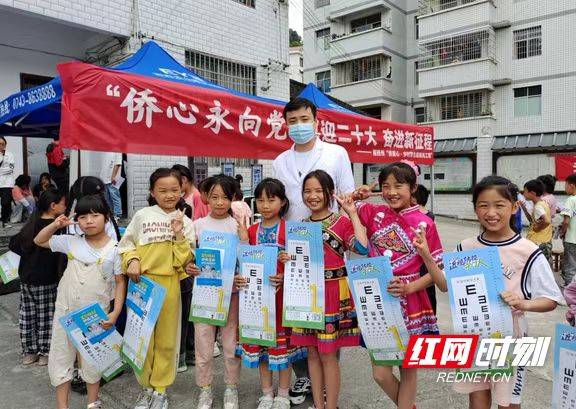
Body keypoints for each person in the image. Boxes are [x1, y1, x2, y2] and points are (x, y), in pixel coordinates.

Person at [423, 176, 562, 408]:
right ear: (475, 208)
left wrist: (524, 303)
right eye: (483, 205)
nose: (491, 213)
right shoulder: (466, 247)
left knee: (508, 402)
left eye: (499, 205)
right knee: (477, 398)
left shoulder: (528, 250)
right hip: (474, 331)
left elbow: (551, 299)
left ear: (514, 207)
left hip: (512, 334)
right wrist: (427, 257)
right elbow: (445, 284)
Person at [272, 97, 355, 403]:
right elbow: (279, 205)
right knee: (299, 316)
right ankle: (305, 376)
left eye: (304, 119)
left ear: (316, 121)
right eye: (292, 121)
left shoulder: (336, 153)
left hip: (330, 245)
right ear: (285, 125)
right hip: (296, 250)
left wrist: (343, 238)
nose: (299, 126)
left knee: (329, 320)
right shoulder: (280, 161)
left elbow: (347, 197)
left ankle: (327, 382)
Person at [352, 161, 442, 409]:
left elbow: (439, 269)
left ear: (413, 188)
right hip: (378, 299)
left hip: (411, 301)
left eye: (398, 185)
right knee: (380, 373)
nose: (391, 192)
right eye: (386, 186)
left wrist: (410, 287)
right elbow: (346, 204)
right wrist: (359, 193)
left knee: (407, 369)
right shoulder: (373, 213)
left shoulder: (425, 223)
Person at [33, 195, 126, 409]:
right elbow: (39, 240)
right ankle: (62, 406)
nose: (89, 221)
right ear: (77, 220)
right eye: (83, 216)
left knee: (92, 360)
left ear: (107, 217)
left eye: (95, 215)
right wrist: (55, 225)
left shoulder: (115, 249)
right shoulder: (71, 241)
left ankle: (93, 403)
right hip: (65, 312)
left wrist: (115, 312)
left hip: (95, 316)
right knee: (61, 357)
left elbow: (120, 282)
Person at [290, 170, 367, 409]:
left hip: (333, 294)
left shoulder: (341, 223)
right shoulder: (300, 227)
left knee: (328, 354)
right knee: (312, 353)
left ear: (329, 193)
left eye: (318, 191)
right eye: (307, 191)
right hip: (307, 294)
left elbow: (362, 248)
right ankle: (319, 405)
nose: (312, 196)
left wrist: (352, 212)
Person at [119, 168, 195, 409]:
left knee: (166, 340)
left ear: (182, 191)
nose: (169, 195)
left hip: (170, 284)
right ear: (152, 192)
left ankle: (160, 390)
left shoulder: (186, 221)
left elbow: (185, 260)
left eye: (174, 190)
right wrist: (132, 260)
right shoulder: (142, 216)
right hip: (142, 284)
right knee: (141, 339)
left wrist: (179, 235)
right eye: (162, 190)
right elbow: (126, 245)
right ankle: (146, 388)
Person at [235, 178, 306, 409]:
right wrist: (243, 242)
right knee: (263, 349)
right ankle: (266, 393)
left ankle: (283, 394)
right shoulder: (250, 232)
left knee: (283, 351)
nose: (265, 205)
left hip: (283, 301)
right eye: (260, 200)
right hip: (257, 303)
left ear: (282, 202)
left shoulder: (291, 231)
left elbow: (301, 266)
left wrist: (286, 275)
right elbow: (242, 263)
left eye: (271, 200)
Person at [187, 175, 242, 409]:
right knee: (203, 346)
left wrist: (240, 275)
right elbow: (189, 258)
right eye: (214, 197)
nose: (220, 202)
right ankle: (205, 389)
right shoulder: (197, 226)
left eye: (225, 197)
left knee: (231, 346)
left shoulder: (237, 226)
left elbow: (246, 258)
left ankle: (231, 388)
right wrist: (189, 267)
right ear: (205, 197)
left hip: (232, 296)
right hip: (205, 295)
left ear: (233, 198)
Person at [9, 189, 67, 366]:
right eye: (63, 204)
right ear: (53, 206)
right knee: (45, 317)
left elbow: (14, 244)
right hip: (46, 279)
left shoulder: (32, 222)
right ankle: (45, 353)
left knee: (27, 316)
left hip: (26, 278)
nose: (65, 207)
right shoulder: (56, 227)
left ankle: (29, 352)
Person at [412, 184, 437, 315]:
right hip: (428, 261)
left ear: (413, 198)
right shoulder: (430, 215)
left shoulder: (418, 217)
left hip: (418, 262)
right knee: (429, 290)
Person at [522, 179, 553, 261]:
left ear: (532, 193)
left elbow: (546, 221)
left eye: (525, 191)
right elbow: (532, 221)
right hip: (544, 240)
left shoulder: (538, 207)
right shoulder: (542, 203)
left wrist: (537, 229)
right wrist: (524, 209)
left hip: (538, 241)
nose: (523, 194)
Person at [94, 152, 123, 219]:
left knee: (115, 197)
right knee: (107, 198)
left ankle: (117, 215)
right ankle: (110, 214)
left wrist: (113, 176)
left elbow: (118, 164)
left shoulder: (118, 151)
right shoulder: (105, 152)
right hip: (104, 179)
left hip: (113, 179)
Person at [561, 173, 576, 287]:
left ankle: (570, 290)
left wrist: (562, 232)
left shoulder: (571, 200)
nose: (565, 188)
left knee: (570, 265)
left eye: (565, 185)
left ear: (571, 186)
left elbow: (566, 221)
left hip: (571, 238)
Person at [0, 136, 16, 227]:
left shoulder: (9, 155)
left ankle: (5, 221)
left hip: (6, 183)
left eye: (2, 144)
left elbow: (10, 168)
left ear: (5, 145)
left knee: (6, 203)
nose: (1, 146)